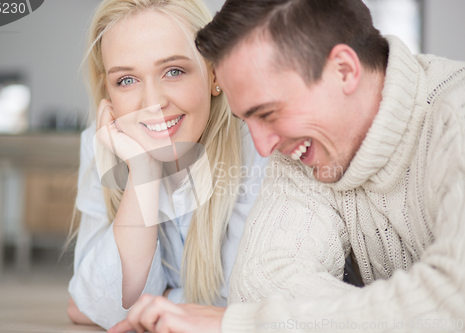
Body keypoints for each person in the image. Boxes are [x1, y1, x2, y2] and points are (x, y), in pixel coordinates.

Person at [108, 0, 465, 332]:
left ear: (343, 70)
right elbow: (260, 285)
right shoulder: (307, 152)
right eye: (248, 120)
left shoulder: (456, 117)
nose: (263, 147)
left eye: (268, 113)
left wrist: (240, 325)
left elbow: (452, 303)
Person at [65, 0, 268, 330]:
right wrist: (142, 173)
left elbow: (262, 300)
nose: (153, 104)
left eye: (174, 71)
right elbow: (96, 305)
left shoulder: (260, 140)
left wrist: (162, 301)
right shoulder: (106, 140)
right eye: (127, 80)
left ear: (214, 71)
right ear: (108, 91)